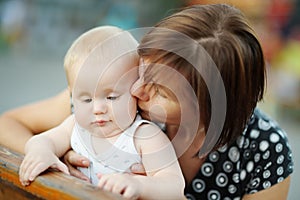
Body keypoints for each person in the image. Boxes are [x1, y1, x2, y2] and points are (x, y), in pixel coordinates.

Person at [0, 4, 294, 200]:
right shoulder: (112, 99)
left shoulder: (265, 150)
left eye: (161, 92)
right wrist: (66, 159)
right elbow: (8, 124)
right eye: (144, 69)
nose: (138, 90)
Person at [18, 26, 185, 199]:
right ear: (72, 95)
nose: (98, 109)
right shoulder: (74, 126)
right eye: (87, 100)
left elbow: (174, 185)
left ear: (134, 91)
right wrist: (42, 152)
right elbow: (41, 140)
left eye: (112, 97)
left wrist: (139, 184)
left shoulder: (145, 136)